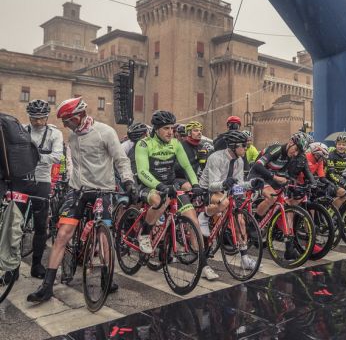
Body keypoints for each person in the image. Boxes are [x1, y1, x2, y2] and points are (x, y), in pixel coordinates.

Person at [27, 97, 135, 303]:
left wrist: (128, 182)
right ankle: (47, 286)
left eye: (67, 121)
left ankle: (106, 277)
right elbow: (74, 165)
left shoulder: (106, 132)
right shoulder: (74, 136)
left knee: (104, 236)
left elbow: (121, 160)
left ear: (79, 116)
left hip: (103, 190)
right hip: (78, 190)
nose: (65, 125)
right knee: (62, 235)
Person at [134, 111, 204, 255]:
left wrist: (196, 184)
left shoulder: (175, 144)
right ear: (156, 129)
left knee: (194, 221)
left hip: (170, 184)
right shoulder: (144, 144)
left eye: (172, 128)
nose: (170, 132)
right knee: (158, 200)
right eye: (166, 128)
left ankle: (202, 260)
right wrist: (160, 186)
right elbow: (142, 172)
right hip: (148, 185)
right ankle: (145, 234)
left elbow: (187, 167)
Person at [199, 130, 264, 278]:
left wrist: (251, 185)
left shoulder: (239, 161)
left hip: (226, 191)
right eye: (244, 146)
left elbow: (238, 186)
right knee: (225, 201)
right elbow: (212, 186)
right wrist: (224, 183)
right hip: (207, 190)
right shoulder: (216, 157)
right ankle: (204, 216)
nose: (246, 149)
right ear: (234, 146)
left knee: (240, 220)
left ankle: (245, 258)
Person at [11, 100, 64, 279]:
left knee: (41, 226)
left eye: (41, 118)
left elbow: (57, 157)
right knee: (15, 225)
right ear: (30, 117)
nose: (38, 122)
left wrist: (33, 157)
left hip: (42, 181)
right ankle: (13, 267)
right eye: (34, 118)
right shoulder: (21, 131)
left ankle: (36, 265)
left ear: (47, 117)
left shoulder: (54, 133)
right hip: (21, 181)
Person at [247, 132, 313, 259]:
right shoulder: (276, 149)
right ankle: (253, 224)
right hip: (257, 175)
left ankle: (289, 248)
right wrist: (275, 177)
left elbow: (288, 175)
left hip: (272, 178)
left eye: (299, 152)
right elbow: (258, 165)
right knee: (272, 196)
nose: (295, 153)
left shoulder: (292, 156)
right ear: (290, 142)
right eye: (296, 149)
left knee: (287, 207)